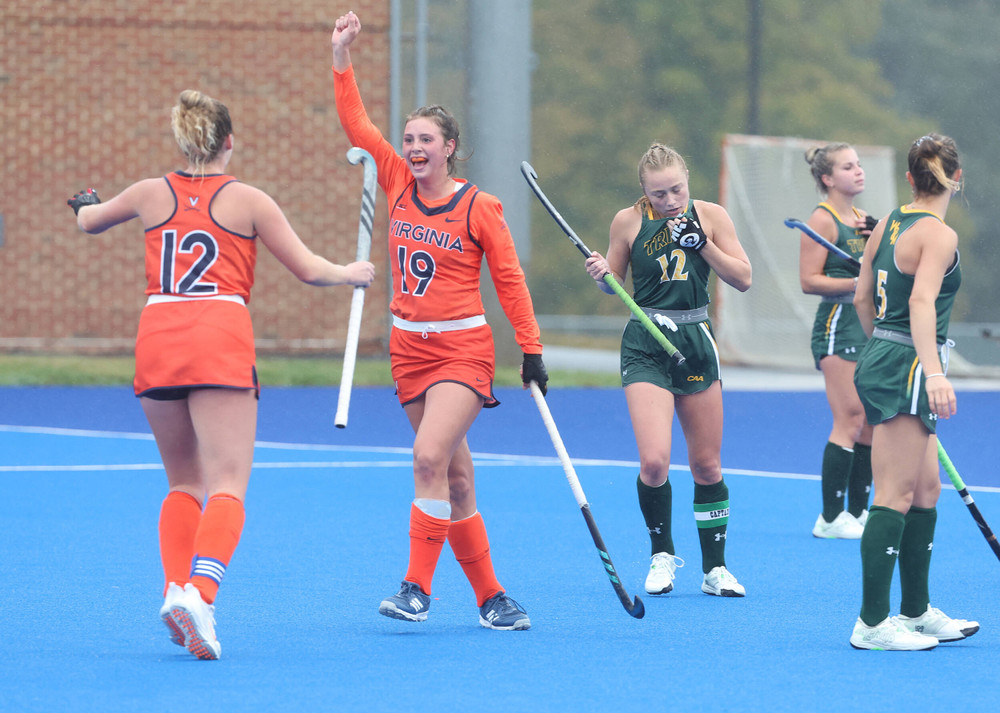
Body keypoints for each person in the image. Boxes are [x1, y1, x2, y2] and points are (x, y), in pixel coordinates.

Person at [67, 90, 376, 660]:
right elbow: (308, 269)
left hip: (158, 336)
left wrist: (84, 203)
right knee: (228, 484)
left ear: (183, 141)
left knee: (183, 482)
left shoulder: (148, 192)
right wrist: (350, 272)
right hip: (218, 336)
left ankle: (175, 589)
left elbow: (89, 220)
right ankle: (201, 596)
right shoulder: (249, 200)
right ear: (228, 142)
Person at [330, 11, 548, 630]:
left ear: (449, 147)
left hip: (462, 350)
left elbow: (509, 281)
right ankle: (492, 597)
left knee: (428, 457)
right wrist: (341, 56)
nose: (414, 148)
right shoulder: (397, 182)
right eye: (409, 139)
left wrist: (531, 348)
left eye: (426, 139)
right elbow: (357, 123)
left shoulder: (480, 206)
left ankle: (415, 589)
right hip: (409, 351)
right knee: (454, 475)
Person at [584, 143, 752, 598]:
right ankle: (661, 554)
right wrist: (601, 275)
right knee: (655, 461)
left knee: (706, 464)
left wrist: (704, 245)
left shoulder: (711, 215)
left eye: (677, 189)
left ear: (687, 181)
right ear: (644, 190)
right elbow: (614, 285)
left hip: (695, 340)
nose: (671, 200)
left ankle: (715, 569)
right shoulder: (627, 221)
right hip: (646, 342)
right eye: (659, 194)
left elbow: (742, 277)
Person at [849, 133, 979, 650]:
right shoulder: (938, 234)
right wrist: (934, 372)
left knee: (925, 491)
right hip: (909, 366)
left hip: (888, 354)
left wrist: (883, 345)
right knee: (894, 495)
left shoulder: (889, 221)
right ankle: (871, 624)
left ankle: (916, 612)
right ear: (956, 177)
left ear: (909, 178)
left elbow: (862, 297)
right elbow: (922, 302)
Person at [799, 143, 876, 540]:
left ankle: (858, 513)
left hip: (869, 326)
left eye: (858, 164)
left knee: (871, 423)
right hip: (838, 325)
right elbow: (809, 280)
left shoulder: (863, 219)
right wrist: (856, 281)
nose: (858, 171)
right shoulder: (822, 219)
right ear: (828, 178)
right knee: (850, 417)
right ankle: (830, 517)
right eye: (848, 167)